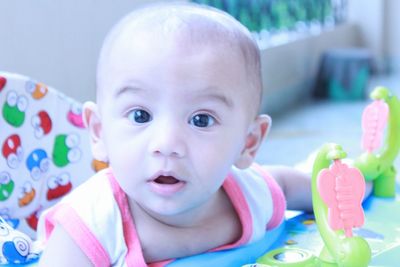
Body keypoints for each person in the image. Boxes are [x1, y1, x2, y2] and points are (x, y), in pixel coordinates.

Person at [37, 2, 316, 266]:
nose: (167, 144)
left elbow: (291, 186)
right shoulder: (89, 226)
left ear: (248, 142)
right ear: (99, 132)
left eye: (201, 120)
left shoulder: (251, 193)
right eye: (140, 116)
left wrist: (348, 185)